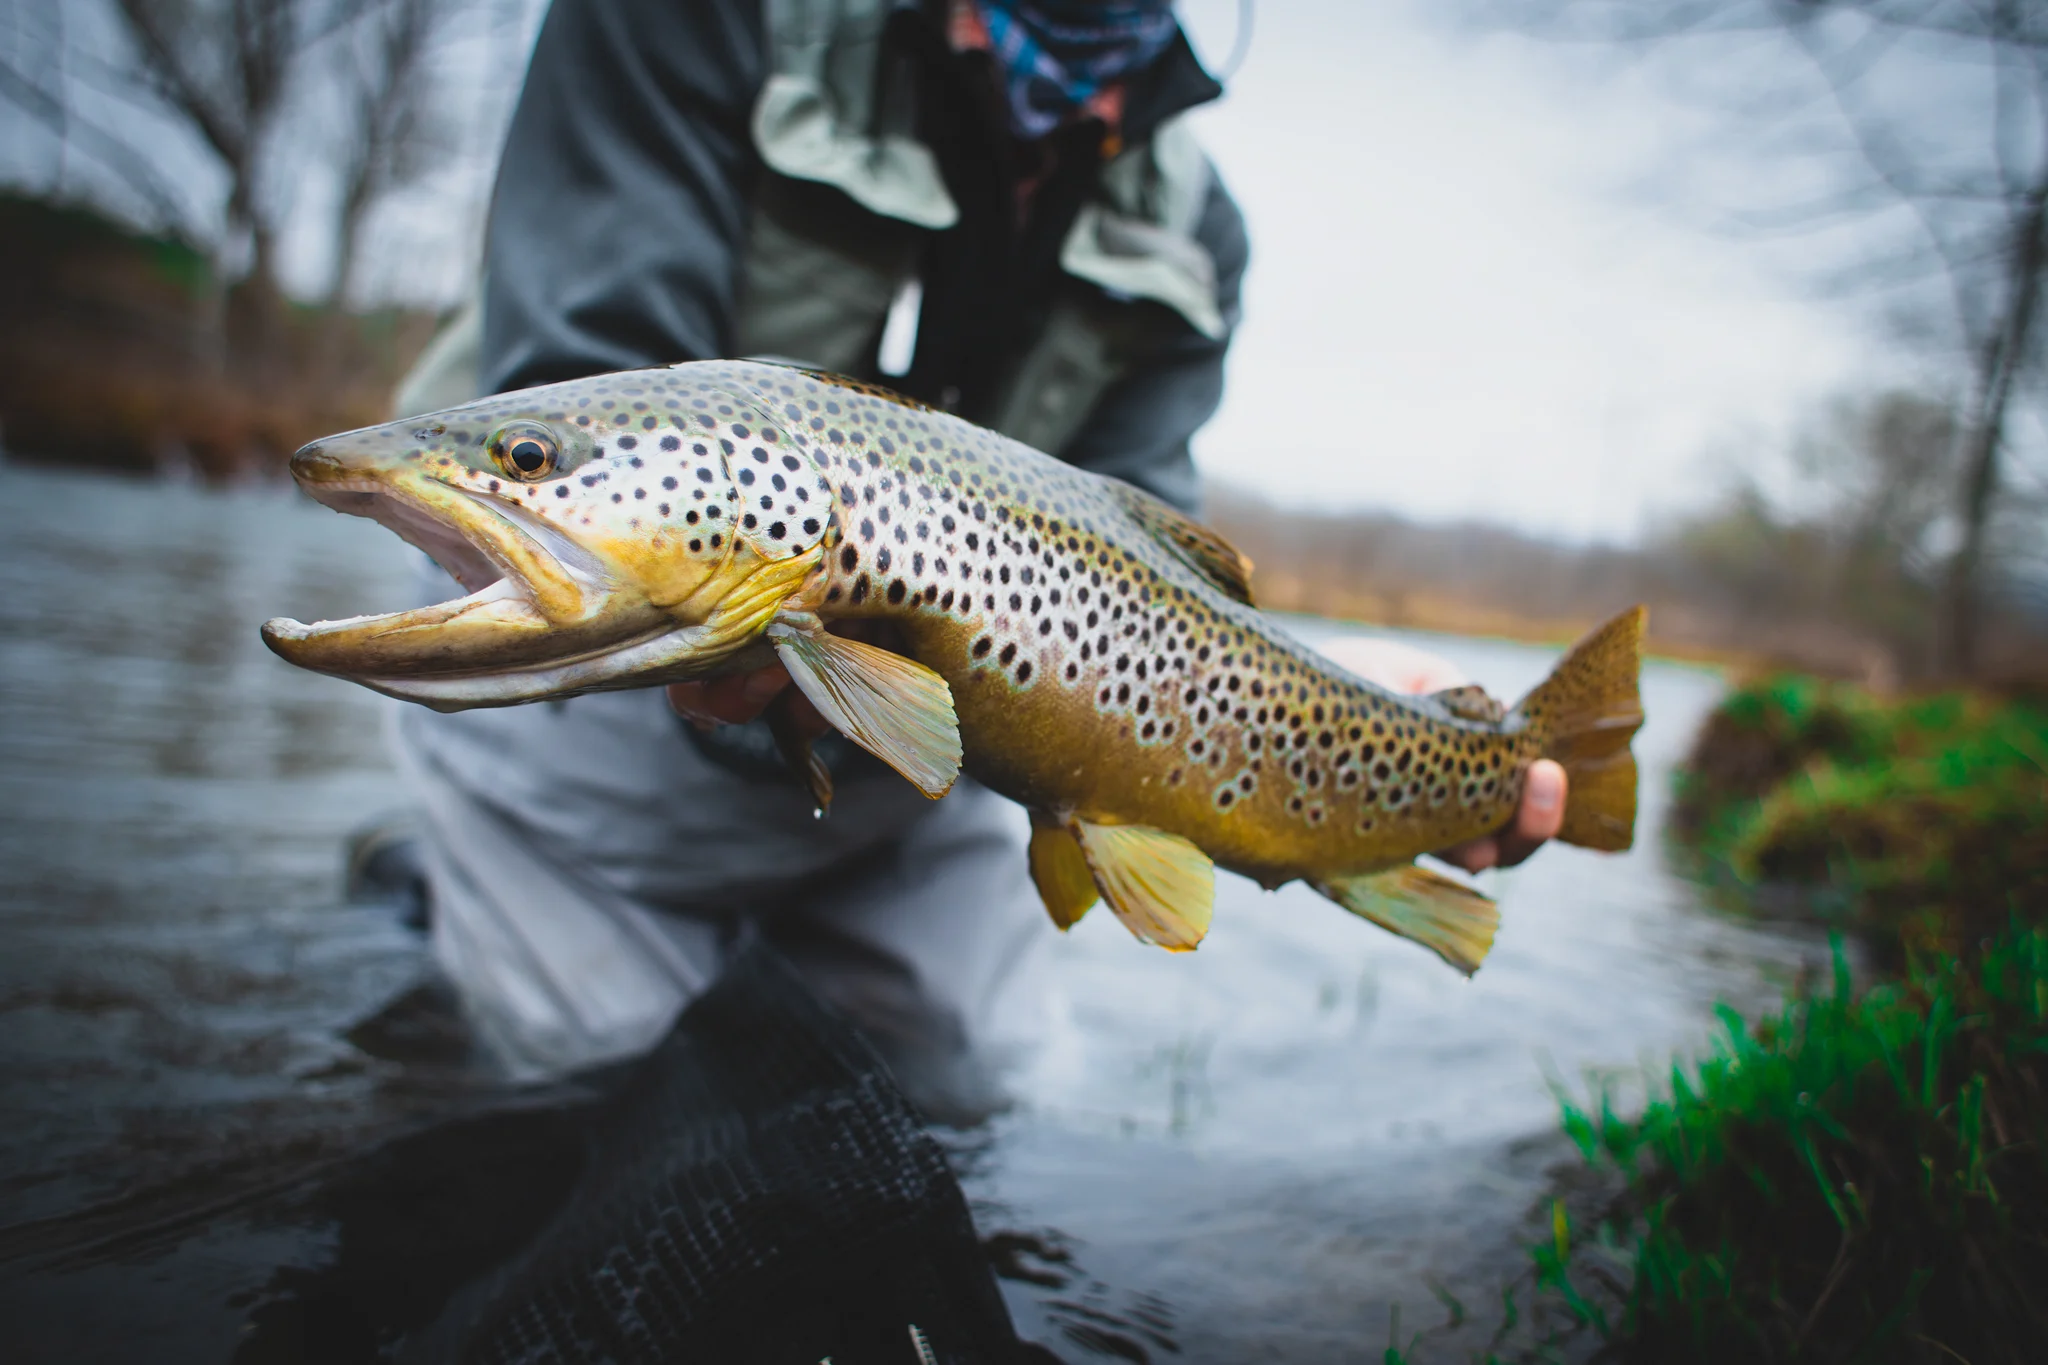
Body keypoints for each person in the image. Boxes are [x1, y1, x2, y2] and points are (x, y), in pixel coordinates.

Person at [383, 0, 1568, 1105]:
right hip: (592, 684)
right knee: (583, 1087)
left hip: (939, 730)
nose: (1091, 102)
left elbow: (1144, 541)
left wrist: (1326, 692)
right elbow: (586, 392)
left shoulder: (1193, 223)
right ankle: (429, 887)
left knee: (973, 1085)